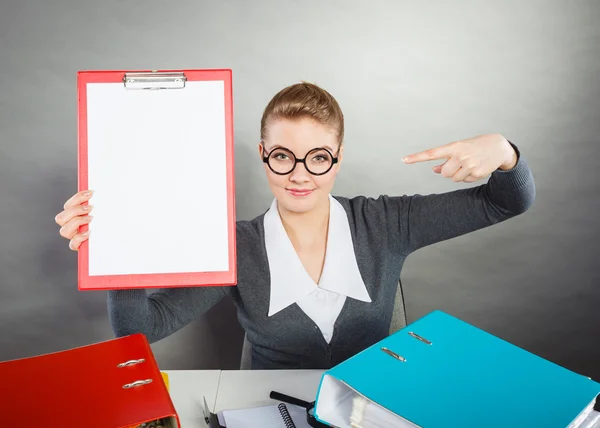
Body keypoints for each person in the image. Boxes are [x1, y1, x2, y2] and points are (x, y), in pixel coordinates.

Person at [55, 82, 536, 370]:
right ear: (265, 156)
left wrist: (503, 151)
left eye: (318, 157)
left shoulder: (386, 222)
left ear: (338, 159)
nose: (300, 174)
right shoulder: (236, 246)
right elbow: (142, 330)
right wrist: (113, 252)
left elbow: (507, 202)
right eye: (283, 156)